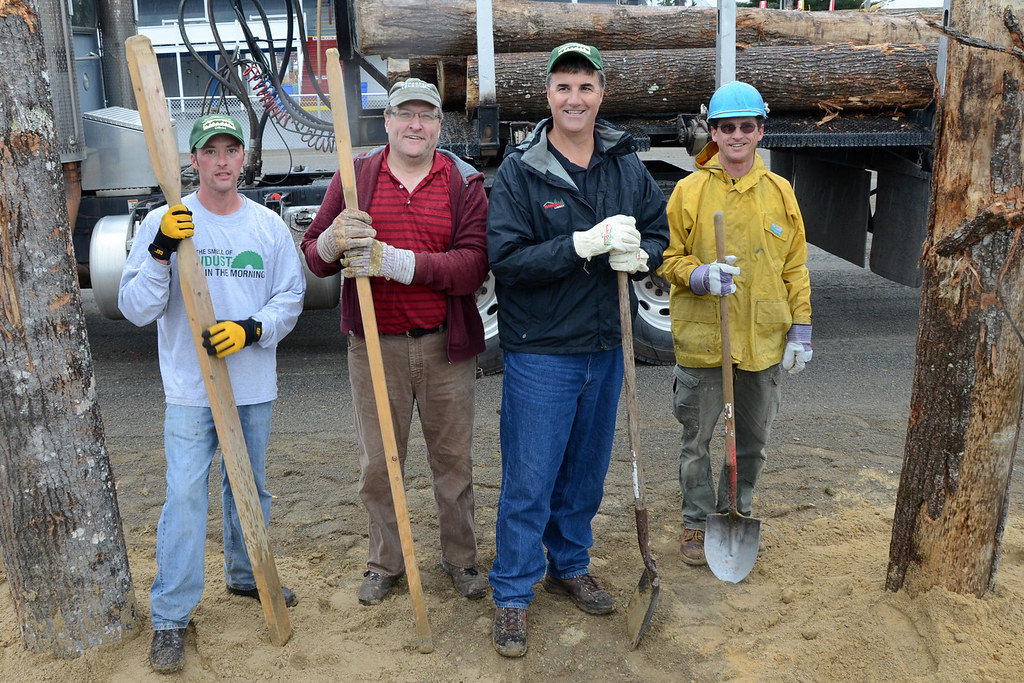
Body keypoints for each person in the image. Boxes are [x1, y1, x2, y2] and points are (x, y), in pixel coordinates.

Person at [485, 43, 669, 657]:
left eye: (585, 87)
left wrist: (645, 256)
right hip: (543, 352)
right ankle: (512, 593)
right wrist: (580, 244)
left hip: (605, 346)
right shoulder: (521, 170)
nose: (574, 98)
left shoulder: (624, 162)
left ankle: (569, 563)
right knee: (530, 478)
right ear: (548, 96)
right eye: (564, 87)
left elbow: (659, 226)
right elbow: (506, 261)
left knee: (586, 473)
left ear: (600, 94)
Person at [118, 114, 306, 673]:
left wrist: (251, 329)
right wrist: (157, 251)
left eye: (231, 150)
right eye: (211, 151)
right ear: (194, 161)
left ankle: (247, 577)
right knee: (184, 497)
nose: (222, 161)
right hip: (189, 389)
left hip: (251, 384)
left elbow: (290, 299)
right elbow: (135, 308)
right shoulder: (166, 220)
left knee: (251, 486)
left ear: (243, 158)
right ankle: (172, 616)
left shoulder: (267, 227)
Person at [300, 78, 490, 606]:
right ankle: (384, 563)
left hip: (444, 347)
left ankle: (460, 559)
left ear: (438, 125)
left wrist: (396, 263)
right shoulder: (356, 177)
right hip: (375, 347)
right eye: (404, 114)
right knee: (379, 464)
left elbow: (474, 265)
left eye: (425, 116)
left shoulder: (463, 183)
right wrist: (335, 240)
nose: (415, 125)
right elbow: (313, 254)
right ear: (386, 122)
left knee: (452, 462)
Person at [656, 81, 812, 568]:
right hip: (706, 344)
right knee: (698, 442)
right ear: (714, 133)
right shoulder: (689, 191)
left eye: (747, 126)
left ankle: (738, 511)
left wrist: (800, 330)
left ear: (761, 131)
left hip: (761, 344)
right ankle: (698, 521)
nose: (737, 135)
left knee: (752, 442)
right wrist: (698, 276)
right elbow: (666, 260)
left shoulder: (780, 193)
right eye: (727, 127)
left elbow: (795, 268)